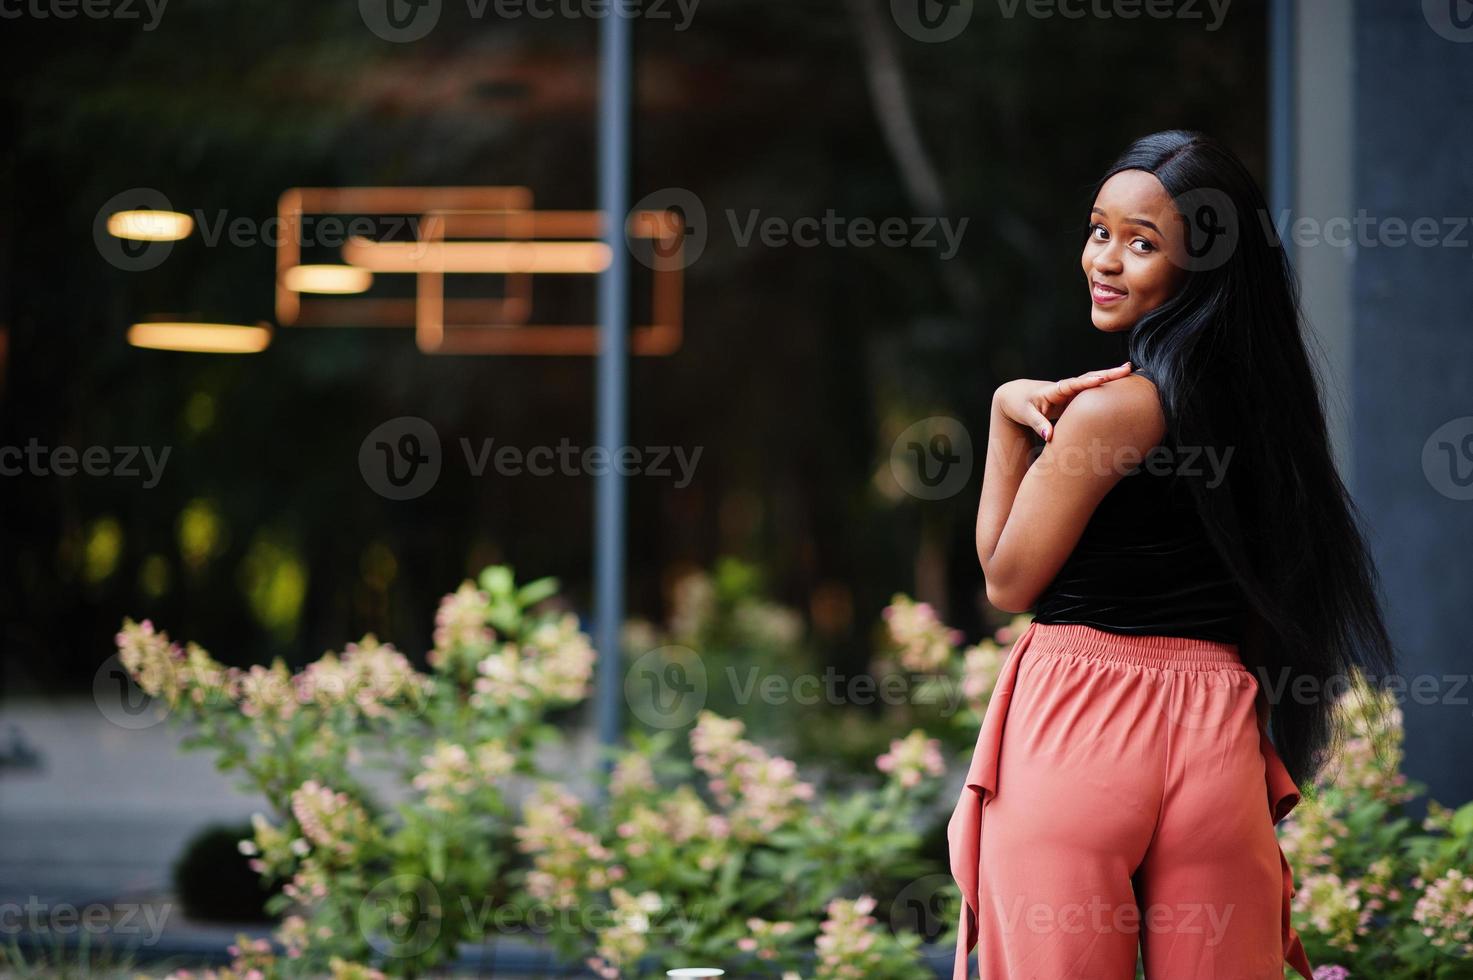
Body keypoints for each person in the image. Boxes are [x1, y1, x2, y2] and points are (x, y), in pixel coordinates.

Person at [947, 130, 1399, 980]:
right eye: (1098, 230)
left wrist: (1007, 425)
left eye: (1142, 243)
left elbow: (1007, 579)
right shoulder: (1268, 418)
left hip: (1075, 723)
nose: (1105, 260)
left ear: (1202, 268)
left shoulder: (1108, 412)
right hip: (1215, 735)